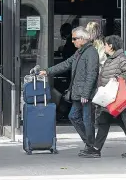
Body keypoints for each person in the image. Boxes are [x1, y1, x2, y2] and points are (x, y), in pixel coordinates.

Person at [40, 26, 99, 156]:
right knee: (73, 116)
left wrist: (86, 93)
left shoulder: (91, 52)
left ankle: (92, 147)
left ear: (83, 39)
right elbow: (66, 64)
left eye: (74, 39)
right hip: (78, 93)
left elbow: (92, 74)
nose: (72, 41)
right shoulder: (80, 52)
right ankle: (90, 144)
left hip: (84, 94)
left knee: (87, 120)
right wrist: (47, 71)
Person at [81, 35, 126, 158]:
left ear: (111, 46)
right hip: (110, 98)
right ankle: (97, 149)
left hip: (117, 98)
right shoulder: (111, 59)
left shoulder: (121, 58)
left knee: (124, 123)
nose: (104, 46)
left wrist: (118, 77)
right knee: (105, 121)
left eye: (105, 44)